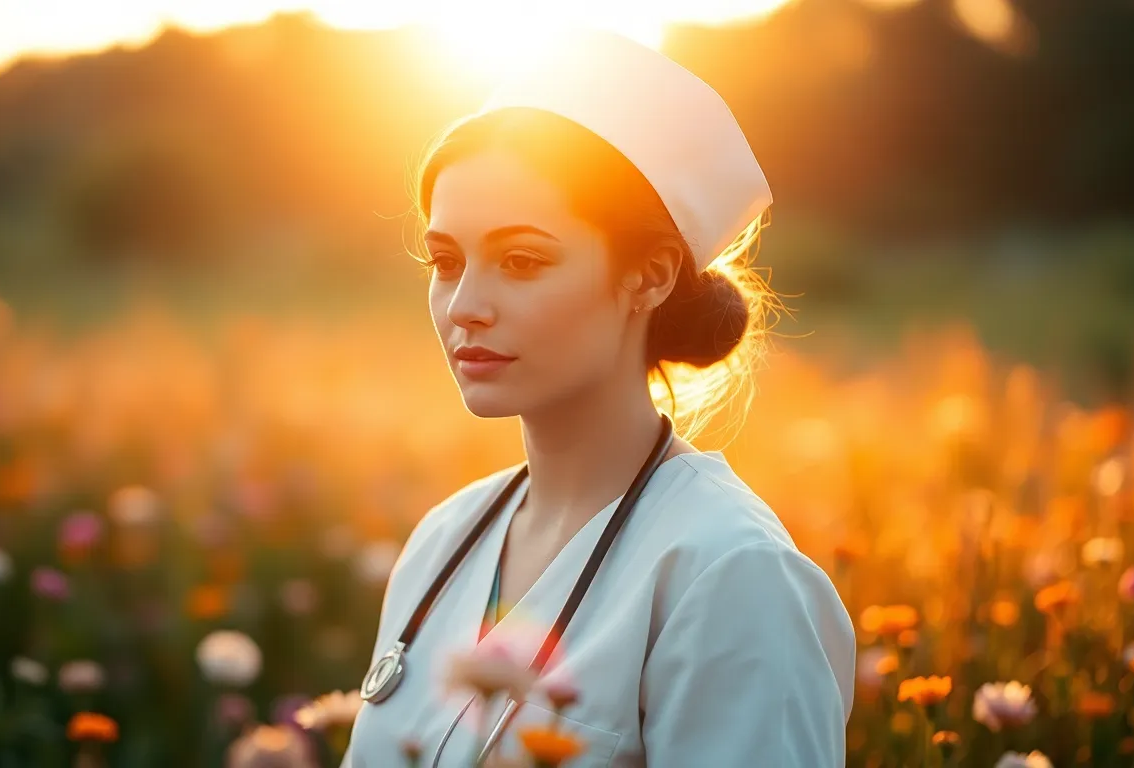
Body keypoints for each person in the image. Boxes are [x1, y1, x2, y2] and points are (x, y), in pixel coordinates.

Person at [342, 26, 855, 767]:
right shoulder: (442, 542)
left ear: (649, 276)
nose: (464, 306)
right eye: (446, 260)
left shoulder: (731, 575)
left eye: (521, 261)